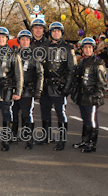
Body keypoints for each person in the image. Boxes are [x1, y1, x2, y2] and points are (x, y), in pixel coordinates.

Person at [37, 22, 76, 151]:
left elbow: (71, 69)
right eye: (53, 31)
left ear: (62, 32)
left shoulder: (67, 48)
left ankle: (62, 140)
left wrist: (67, 88)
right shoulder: (45, 46)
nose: (55, 33)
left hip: (59, 86)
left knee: (61, 114)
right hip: (46, 85)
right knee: (44, 112)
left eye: (58, 31)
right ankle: (45, 136)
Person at [72, 37, 107, 153]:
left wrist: (97, 97)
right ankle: (85, 140)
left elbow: (101, 83)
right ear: (82, 49)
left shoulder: (98, 64)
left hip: (92, 97)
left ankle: (92, 143)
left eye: (90, 47)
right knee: (85, 119)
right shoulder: (81, 62)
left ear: (93, 49)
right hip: (82, 96)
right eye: (85, 47)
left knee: (92, 121)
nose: (87, 50)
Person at [12, 30, 43, 149]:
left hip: (28, 90)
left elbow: (40, 74)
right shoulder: (14, 54)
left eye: (27, 39)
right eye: (22, 39)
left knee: (27, 114)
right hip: (14, 89)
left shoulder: (35, 56)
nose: (25, 42)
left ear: (30, 41)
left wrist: (38, 90)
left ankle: (28, 138)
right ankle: (13, 136)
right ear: (19, 40)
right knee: (13, 113)